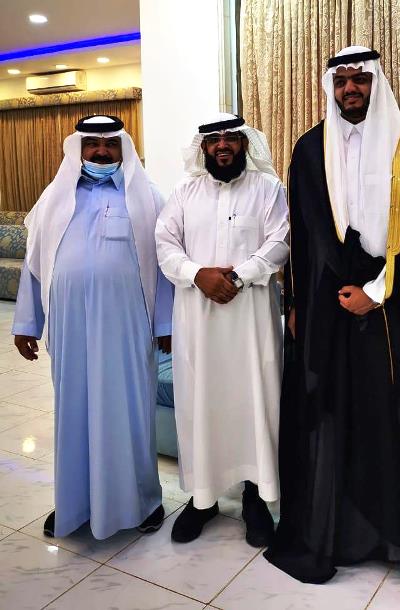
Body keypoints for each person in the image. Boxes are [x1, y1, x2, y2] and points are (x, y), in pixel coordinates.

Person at [264, 46, 400, 592]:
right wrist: (298, 304)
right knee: (334, 415)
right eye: (342, 80)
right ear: (331, 86)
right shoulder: (308, 148)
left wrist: (377, 291)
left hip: (396, 308)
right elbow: (304, 236)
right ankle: (342, 535)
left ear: (375, 83)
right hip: (329, 306)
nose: (351, 89)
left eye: (360, 80)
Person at [12, 115, 173, 539]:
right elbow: (34, 264)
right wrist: (27, 323)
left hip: (127, 329)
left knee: (130, 414)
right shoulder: (53, 198)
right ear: (78, 149)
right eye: (92, 144)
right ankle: (74, 504)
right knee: (73, 412)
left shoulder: (147, 197)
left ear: (123, 148)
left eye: (110, 144)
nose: (101, 151)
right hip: (70, 329)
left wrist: (166, 324)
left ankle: (143, 502)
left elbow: (166, 266)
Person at [155, 113, 289, 547]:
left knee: (255, 403)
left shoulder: (268, 188)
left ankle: (255, 499)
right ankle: (203, 500)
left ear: (245, 143)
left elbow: (281, 242)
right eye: (214, 140)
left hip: (251, 321)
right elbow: (165, 244)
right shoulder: (184, 192)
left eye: (231, 138)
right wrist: (198, 274)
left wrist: (237, 276)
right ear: (204, 148)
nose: (222, 145)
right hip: (198, 322)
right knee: (202, 404)